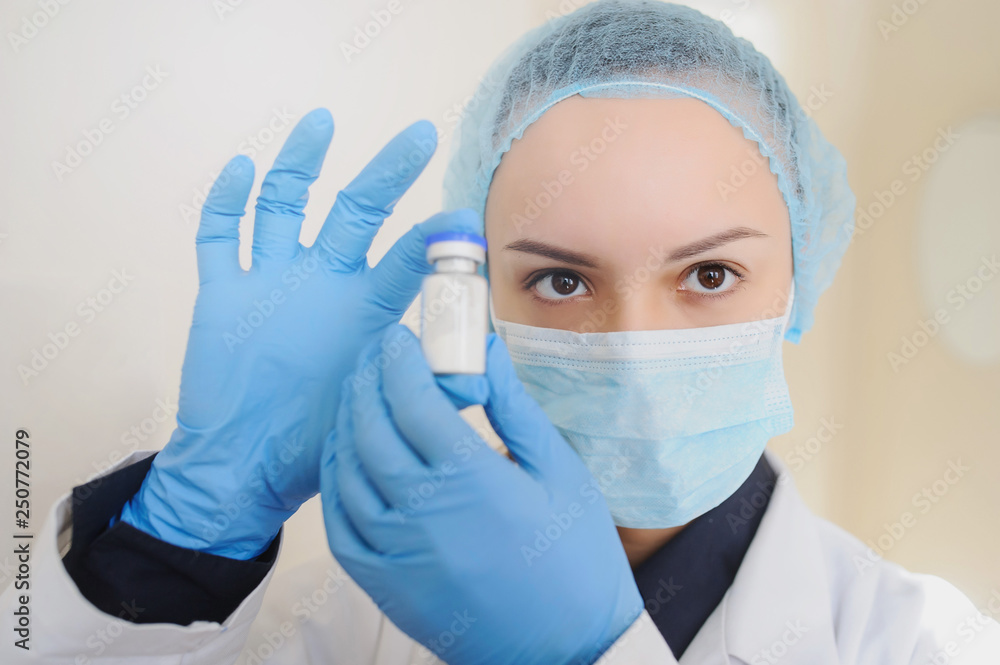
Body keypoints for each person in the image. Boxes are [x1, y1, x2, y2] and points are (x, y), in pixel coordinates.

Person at [3, 1, 997, 664]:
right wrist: (184, 536)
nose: (631, 342)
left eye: (707, 273)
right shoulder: (337, 625)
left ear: (801, 280)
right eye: (561, 277)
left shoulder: (922, 641)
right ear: (477, 301)